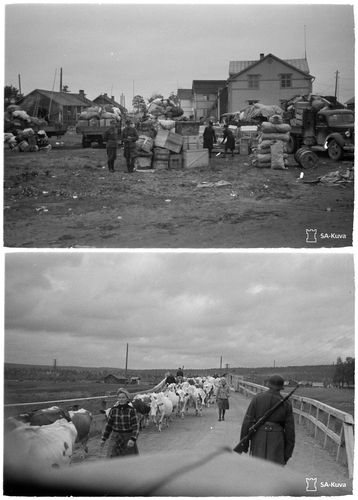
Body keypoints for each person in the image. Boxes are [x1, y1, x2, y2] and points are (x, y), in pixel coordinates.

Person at [238, 374, 295, 465]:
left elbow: (247, 421)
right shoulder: (286, 403)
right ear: (281, 387)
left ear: (268, 384)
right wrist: (288, 452)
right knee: (274, 469)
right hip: (277, 438)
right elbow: (290, 430)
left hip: (259, 435)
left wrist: (243, 444)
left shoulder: (257, 398)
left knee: (257, 467)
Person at [100, 388, 139, 458]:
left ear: (127, 399)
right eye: (119, 398)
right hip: (115, 438)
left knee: (130, 462)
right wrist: (104, 438)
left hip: (128, 438)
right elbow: (108, 426)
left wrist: (133, 439)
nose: (121, 399)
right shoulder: (113, 410)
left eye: (123, 397)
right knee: (111, 459)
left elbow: (136, 426)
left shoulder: (132, 410)